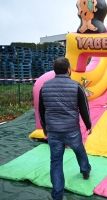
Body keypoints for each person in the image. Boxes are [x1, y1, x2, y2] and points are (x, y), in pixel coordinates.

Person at [38, 57, 92, 200]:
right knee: (79, 150)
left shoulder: (45, 86)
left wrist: (44, 128)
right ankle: (85, 171)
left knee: (55, 161)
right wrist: (88, 125)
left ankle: (57, 195)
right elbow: (84, 108)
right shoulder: (76, 86)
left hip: (53, 131)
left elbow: (41, 110)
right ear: (69, 70)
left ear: (55, 71)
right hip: (71, 130)